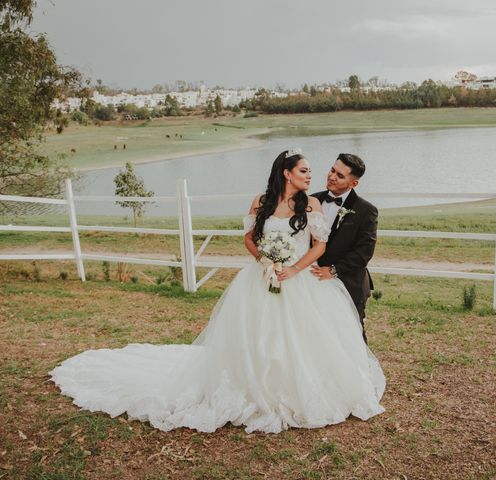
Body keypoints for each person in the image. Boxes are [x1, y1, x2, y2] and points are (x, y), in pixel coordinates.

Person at [50, 149, 385, 434]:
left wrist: (294, 269)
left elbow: (320, 244)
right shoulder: (261, 201)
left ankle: (303, 387)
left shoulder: (311, 204)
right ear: (286, 173)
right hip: (262, 278)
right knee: (255, 336)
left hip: (299, 280)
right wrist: (265, 261)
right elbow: (250, 239)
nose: (314, 175)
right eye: (305, 170)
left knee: (306, 338)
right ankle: (251, 387)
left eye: (317, 171)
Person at [311, 154, 377, 343]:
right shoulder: (311, 200)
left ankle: (361, 372)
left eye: (340, 175)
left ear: (353, 183)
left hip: (348, 282)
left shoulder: (366, 210)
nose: (331, 176)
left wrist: (332, 271)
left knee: (351, 334)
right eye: (332, 170)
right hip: (312, 280)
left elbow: (364, 252)